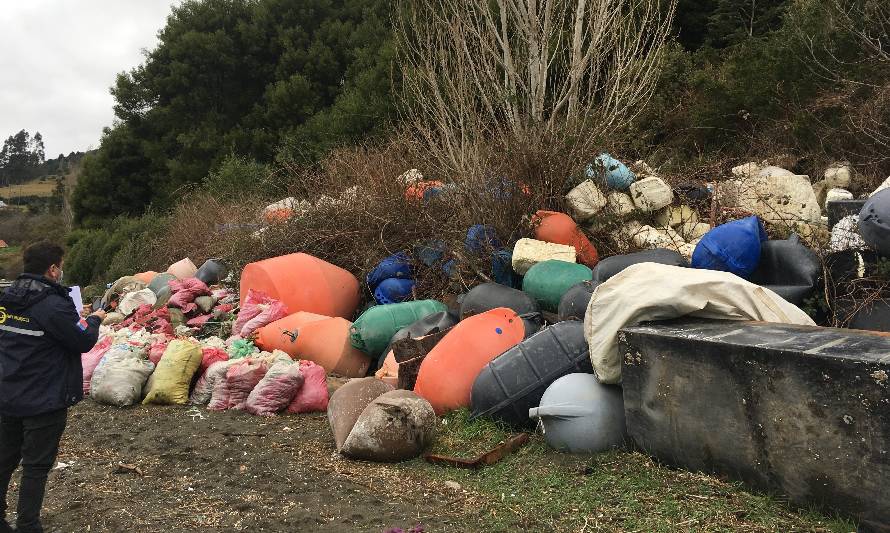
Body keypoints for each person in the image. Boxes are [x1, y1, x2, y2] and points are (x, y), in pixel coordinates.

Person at [0, 242, 105, 532]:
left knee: (5, 459)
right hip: (43, 397)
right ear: (53, 269)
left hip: (8, 391)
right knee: (35, 465)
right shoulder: (53, 304)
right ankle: (28, 525)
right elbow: (82, 339)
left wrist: (73, 316)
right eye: (60, 265)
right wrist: (93, 319)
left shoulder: (7, 298)